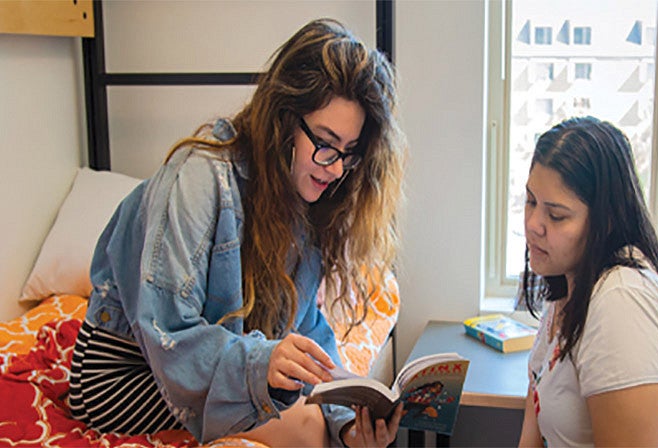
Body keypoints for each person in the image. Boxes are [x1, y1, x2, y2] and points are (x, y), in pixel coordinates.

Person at [68, 18, 406, 447]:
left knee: (324, 423)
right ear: (283, 121)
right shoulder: (197, 177)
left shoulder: (303, 200)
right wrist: (265, 364)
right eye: (325, 143)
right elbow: (168, 332)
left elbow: (305, 330)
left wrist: (348, 419)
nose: (336, 168)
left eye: (349, 153)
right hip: (127, 378)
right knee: (304, 425)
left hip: (202, 367)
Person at [517, 116, 658, 447]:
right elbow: (535, 419)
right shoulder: (567, 282)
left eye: (556, 215)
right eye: (530, 202)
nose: (533, 224)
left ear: (605, 220)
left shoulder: (623, 301)